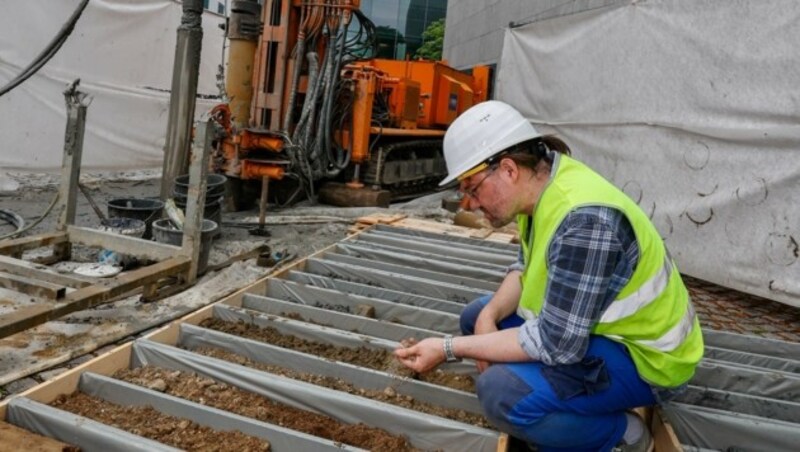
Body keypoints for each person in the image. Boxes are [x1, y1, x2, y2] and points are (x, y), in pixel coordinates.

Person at [394, 101, 704, 452]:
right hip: (596, 331)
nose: (471, 203)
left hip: (648, 360)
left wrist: (447, 348)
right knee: (476, 317)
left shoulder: (584, 222)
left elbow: (556, 345)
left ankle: (623, 435)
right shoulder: (541, 189)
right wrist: (487, 316)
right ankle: (553, 400)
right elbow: (525, 267)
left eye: (473, 188)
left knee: (500, 393)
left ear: (509, 170)